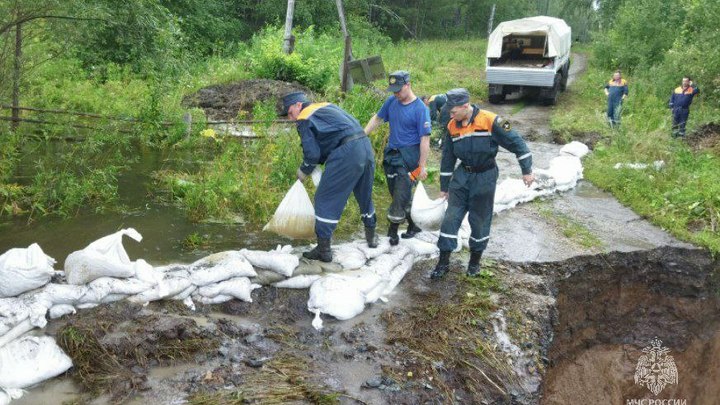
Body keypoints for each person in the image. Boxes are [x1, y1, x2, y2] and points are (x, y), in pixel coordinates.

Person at [430, 88, 534, 279]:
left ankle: (474, 263)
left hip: (485, 177)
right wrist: (444, 187)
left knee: (479, 221)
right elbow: (447, 158)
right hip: (462, 177)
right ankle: (443, 263)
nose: (450, 115)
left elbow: (517, 142)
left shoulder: (492, 120)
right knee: (450, 219)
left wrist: (526, 170)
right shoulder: (453, 126)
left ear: (465, 106)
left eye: (453, 111)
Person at [280, 92, 377, 262]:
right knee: (364, 193)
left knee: (325, 198)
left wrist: (303, 172)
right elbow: (333, 135)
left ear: (298, 105)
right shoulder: (326, 106)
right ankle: (372, 237)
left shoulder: (304, 118)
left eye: (289, 113)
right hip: (365, 146)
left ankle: (324, 250)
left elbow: (312, 154)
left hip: (347, 152)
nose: (291, 118)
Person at [364, 70, 431, 245]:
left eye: (398, 90)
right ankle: (414, 225)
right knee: (397, 193)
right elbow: (377, 119)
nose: (396, 94)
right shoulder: (391, 102)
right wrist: (363, 135)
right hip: (392, 155)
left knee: (401, 193)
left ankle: (392, 232)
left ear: (408, 85)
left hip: (410, 157)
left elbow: (425, 139)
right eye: (393, 90)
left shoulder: (420, 109)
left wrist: (422, 166)